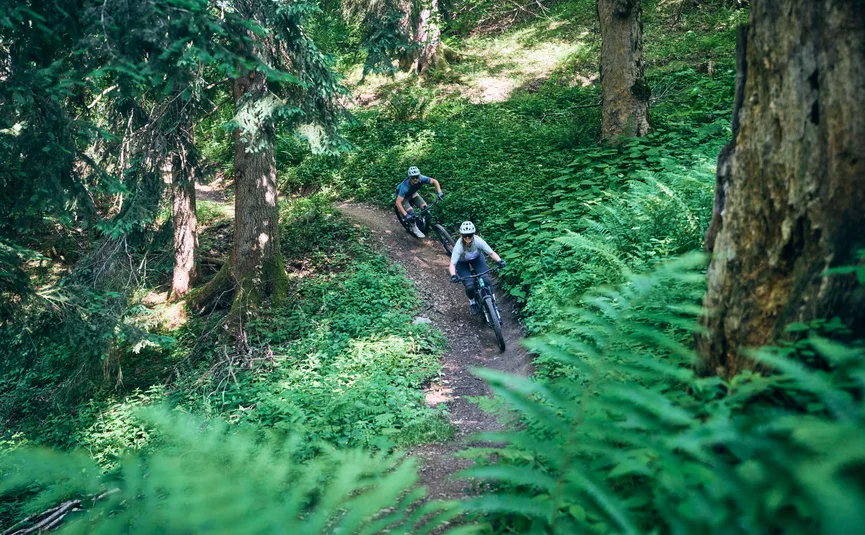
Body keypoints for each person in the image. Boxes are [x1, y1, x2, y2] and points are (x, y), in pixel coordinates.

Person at [449, 221, 506, 314]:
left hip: (477, 259)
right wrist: (453, 275)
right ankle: (472, 302)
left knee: (486, 280)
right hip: (462, 263)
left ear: (473, 234)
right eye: (465, 235)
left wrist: (499, 261)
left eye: (470, 235)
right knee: (470, 286)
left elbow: (491, 253)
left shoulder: (478, 241)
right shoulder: (458, 246)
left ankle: (493, 303)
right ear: (461, 235)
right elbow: (452, 264)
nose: (467, 238)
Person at [395, 166, 443, 238]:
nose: (415, 179)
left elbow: (434, 181)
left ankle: (424, 225)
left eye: (416, 177)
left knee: (425, 209)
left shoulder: (422, 178)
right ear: (409, 177)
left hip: (413, 194)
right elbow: (398, 203)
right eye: (413, 177)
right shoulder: (405, 186)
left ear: (419, 176)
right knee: (411, 214)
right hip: (403, 198)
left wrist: (440, 192)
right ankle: (414, 227)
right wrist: (406, 215)